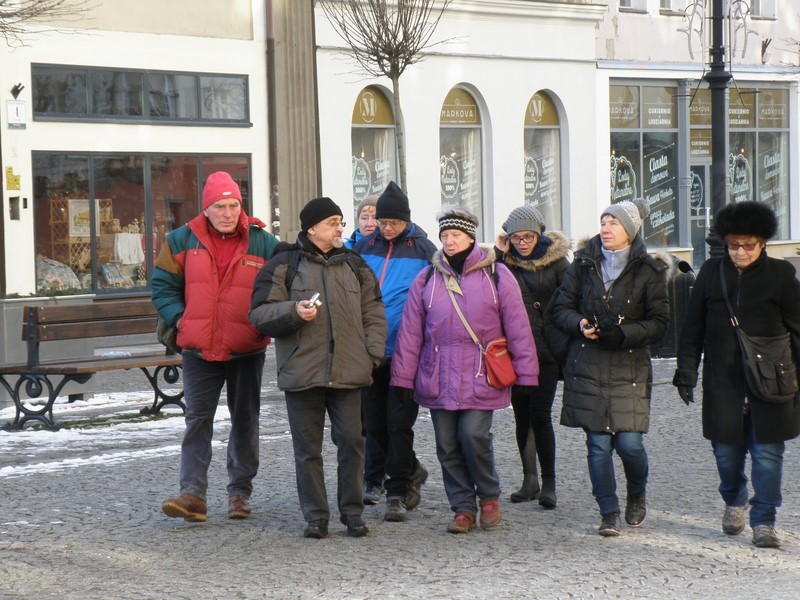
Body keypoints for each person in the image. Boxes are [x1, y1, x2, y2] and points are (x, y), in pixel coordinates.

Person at [391, 207, 539, 533]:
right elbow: (411, 333)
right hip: (438, 373)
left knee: (473, 436)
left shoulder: (497, 275)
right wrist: (402, 377)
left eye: (455, 235)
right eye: (444, 236)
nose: (449, 241)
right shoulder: (427, 279)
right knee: (446, 444)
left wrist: (527, 374)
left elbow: (518, 327)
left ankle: (488, 496)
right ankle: (462, 507)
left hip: (481, 373)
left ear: (470, 237)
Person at [248, 196, 387, 539]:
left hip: (350, 371)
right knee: (307, 451)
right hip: (302, 372)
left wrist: (371, 354)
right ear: (312, 228)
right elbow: (259, 314)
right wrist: (293, 311)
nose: (340, 228)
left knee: (352, 444)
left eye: (341, 221)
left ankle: (352, 513)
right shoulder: (283, 265)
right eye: (332, 223)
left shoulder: (356, 265)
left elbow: (374, 313)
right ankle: (315, 516)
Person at [153, 171, 279, 522]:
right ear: (206, 209)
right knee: (197, 421)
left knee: (245, 422)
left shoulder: (263, 243)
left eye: (234, 205)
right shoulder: (180, 240)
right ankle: (192, 494)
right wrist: (181, 320)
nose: (228, 213)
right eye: (220, 206)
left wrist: (261, 323)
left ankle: (240, 493)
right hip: (198, 350)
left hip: (246, 349)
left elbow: (278, 289)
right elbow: (162, 286)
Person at [673, 201, 800, 549]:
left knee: (768, 455)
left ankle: (765, 520)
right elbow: (692, 327)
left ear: (762, 243)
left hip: (771, 380)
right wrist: (686, 371)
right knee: (726, 456)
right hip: (723, 380)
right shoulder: (712, 273)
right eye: (733, 245)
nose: (740, 252)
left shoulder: (781, 275)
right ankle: (735, 498)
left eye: (747, 244)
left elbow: (798, 329)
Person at [551, 198, 668, 537]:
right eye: (603, 222)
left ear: (630, 231)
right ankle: (608, 511)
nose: (605, 228)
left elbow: (660, 323)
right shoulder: (583, 264)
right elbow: (561, 309)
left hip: (629, 367)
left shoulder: (650, 270)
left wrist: (624, 333)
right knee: (598, 444)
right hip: (587, 364)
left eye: (613, 223)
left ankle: (636, 492)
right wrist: (580, 324)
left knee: (630, 444)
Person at [353, 181, 437, 522]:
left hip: (406, 351)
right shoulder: (363, 247)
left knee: (399, 423)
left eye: (394, 223)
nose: (387, 228)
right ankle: (407, 472)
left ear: (407, 221)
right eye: (383, 222)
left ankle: (399, 490)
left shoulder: (423, 250)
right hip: (370, 350)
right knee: (374, 425)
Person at [495, 205, 570, 509]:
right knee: (521, 415)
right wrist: (500, 255)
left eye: (527, 236)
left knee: (540, 415)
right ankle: (529, 480)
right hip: (516, 350)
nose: (522, 242)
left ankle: (549, 481)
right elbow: (491, 290)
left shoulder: (559, 263)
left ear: (539, 234)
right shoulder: (505, 263)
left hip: (547, 351)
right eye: (515, 238)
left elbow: (569, 301)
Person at [344, 193, 387, 504]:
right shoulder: (346, 251)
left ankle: (376, 476)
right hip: (351, 344)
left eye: (375, 217)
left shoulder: (394, 249)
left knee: (382, 419)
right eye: (364, 217)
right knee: (356, 419)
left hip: (387, 343)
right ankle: (401, 470)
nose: (370, 222)